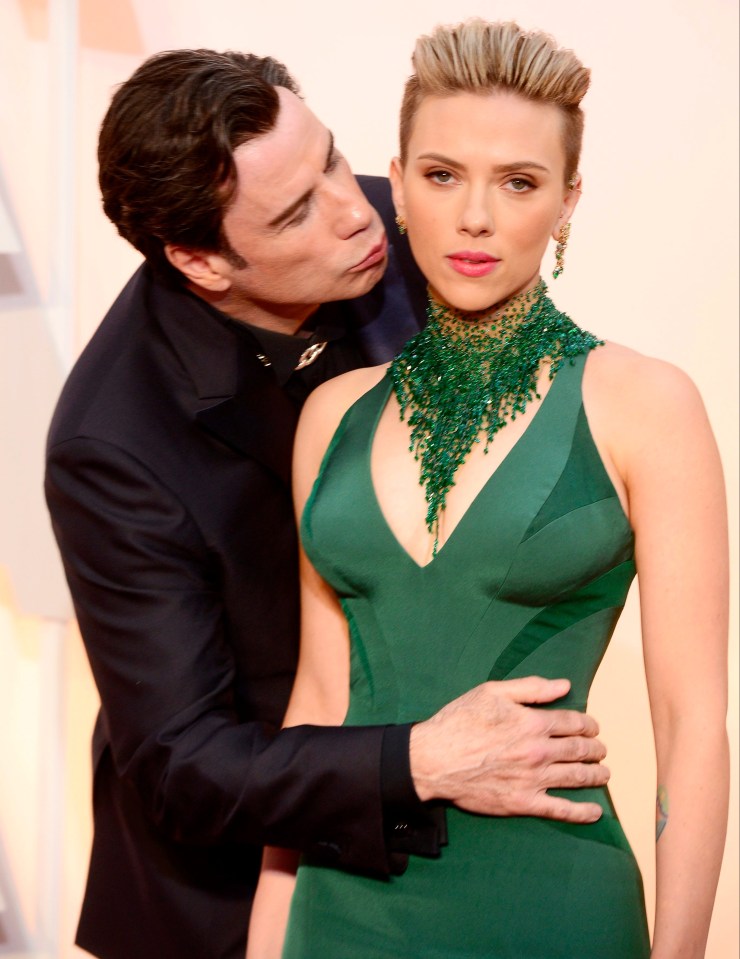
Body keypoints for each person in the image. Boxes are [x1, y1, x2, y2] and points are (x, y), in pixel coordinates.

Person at [45, 48, 613, 959]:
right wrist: (421, 758)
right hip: (222, 897)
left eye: (332, 160)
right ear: (201, 259)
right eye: (299, 209)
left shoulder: (405, 227)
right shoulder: (112, 443)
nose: (358, 211)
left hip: (459, 838)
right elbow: (183, 766)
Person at [248, 19, 730, 959]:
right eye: (441, 175)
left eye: (519, 181)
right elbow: (318, 703)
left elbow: (691, 723)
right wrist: (270, 937)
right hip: (342, 910)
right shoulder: (332, 415)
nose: (475, 216)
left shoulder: (646, 403)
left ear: (567, 201)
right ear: (398, 184)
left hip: (550, 906)